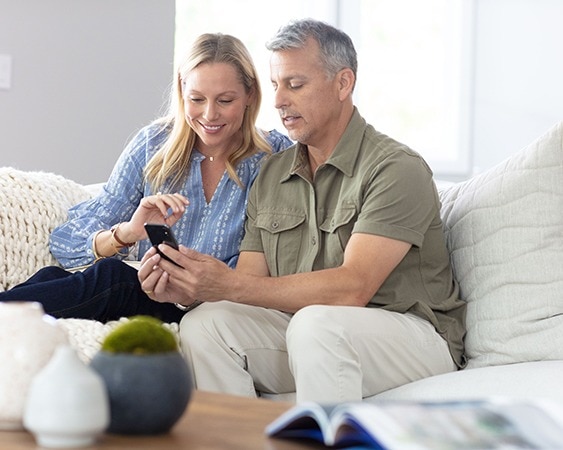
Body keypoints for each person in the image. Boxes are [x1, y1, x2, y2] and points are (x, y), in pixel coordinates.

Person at [138, 19, 466, 403]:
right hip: (311, 331)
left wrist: (229, 284)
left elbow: (354, 287)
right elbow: (248, 284)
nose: (278, 101)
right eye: (276, 85)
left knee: (317, 324)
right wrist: (186, 287)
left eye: (295, 85)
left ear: (343, 83)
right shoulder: (273, 173)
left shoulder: (395, 168)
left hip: (413, 339)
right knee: (207, 324)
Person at [0, 33, 292, 323]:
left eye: (225, 100)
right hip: (150, 286)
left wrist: (193, 286)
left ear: (250, 95)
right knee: (53, 276)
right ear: (181, 91)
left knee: (114, 279)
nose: (209, 114)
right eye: (196, 99)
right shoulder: (154, 144)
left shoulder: (273, 157)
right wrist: (128, 233)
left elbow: (271, 266)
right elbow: (66, 241)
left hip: (209, 310)